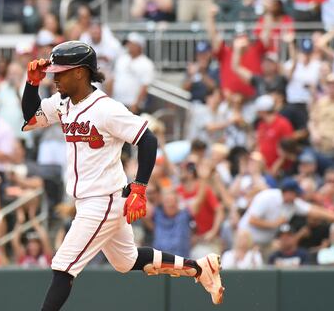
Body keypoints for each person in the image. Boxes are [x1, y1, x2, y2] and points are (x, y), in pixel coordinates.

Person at [22, 41, 224, 309]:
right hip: (93, 199)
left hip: (102, 200)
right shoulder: (63, 103)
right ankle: (200, 268)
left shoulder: (106, 108)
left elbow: (147, 139)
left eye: (61, 72)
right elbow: (31, 119)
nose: (55, 77)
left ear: (80, 72)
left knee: (63, 267)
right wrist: (31, 85)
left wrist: (140, 188)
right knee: (126, 261)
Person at [237, 179, 334, 249]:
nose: (297, 196)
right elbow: (252, 220)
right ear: (287, 192)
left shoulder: (293, 203)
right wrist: (274, 224)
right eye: (295, 193)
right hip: (246, 241)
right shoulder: (267, 197)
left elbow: (312, 210)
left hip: (265, 243)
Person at [109, 33, 155, 114]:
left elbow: (145, 85)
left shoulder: (146, 63)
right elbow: (114, 79)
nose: (129, 46)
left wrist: (136, 104)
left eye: (132, 44)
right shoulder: (122, 59)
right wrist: (110, 99)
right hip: (117, 102)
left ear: (139, 46)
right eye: (128, 44)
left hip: (132, 104)